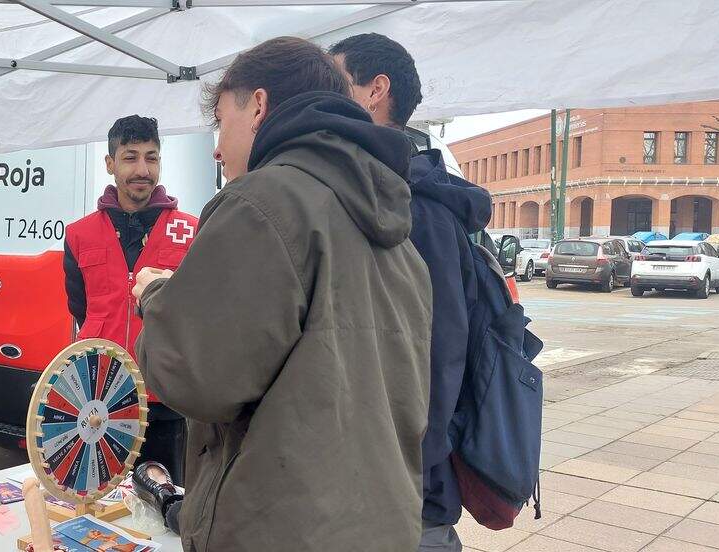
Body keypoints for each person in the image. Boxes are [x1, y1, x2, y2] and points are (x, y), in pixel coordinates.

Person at [129, 37, 432, 550]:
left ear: (259, 107)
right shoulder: (398, 234)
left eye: (221, 121)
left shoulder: (263, 202)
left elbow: (195, 376)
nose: (217, 148)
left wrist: (156, 296)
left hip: (281, 529)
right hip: (380, 524)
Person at [331, 33, 493, 552]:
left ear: (375, 91)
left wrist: (406, 466)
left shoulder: (418, 208)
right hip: (368, 479)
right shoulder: (373, 194)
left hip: (408, 494)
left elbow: (441, 352)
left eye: (335, 83)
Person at [62, 115, 199, 485]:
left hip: (164, 401)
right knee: (96, 497)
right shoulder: (79, 235)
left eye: (151, 158)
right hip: (97, 400)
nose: (142, 170)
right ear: (110, 164)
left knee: (162, 499)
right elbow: (80, 308)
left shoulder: (190, 231)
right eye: (130, 157)